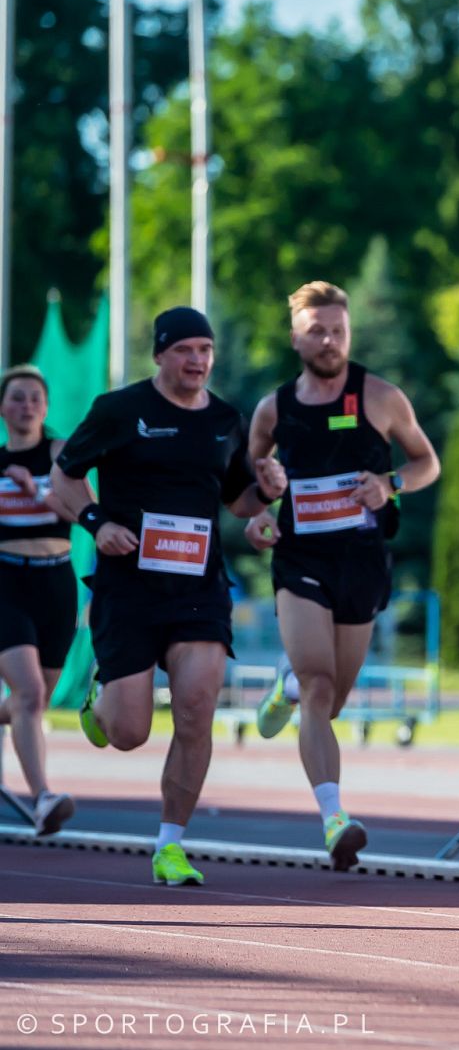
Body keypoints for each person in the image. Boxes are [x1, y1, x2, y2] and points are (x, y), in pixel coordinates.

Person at [52, 307, 284, 885]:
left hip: (198, 588)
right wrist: (97, 521)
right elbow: (64, 476)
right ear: (160, 354)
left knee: (197, 709)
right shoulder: (120, 410)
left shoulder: (226, 420)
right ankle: (100, 699)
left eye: (205, 349)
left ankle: (170, 844)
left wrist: (266, 493)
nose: (198, 360)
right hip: (128, 585)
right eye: (185, 349)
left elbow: (238, 502)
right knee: (130, 733)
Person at [242, 281, 440, 872]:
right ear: (295, 336)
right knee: (321, 683)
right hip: (300, 561)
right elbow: (249, 484)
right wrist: (260, 507)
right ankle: (334, 818)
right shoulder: (274, 408)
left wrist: (391, 484)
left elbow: (426, 462)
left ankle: (287, 690)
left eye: (338, 330)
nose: (329, 341)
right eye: (317, 331)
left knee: (327, 703)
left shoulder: (379, 396)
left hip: (361, 562)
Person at [0, 366, 78, 835]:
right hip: (5, 582)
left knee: (38, 699)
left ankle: (42, 795)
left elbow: (81, 508)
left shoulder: (60, 455)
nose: (26, 405)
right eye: (17, 398)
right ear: (3, 408)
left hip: (56, 583)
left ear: (45, 409)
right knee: (28, 693)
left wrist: (38, 490)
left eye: (35, 398)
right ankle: (43, 798)